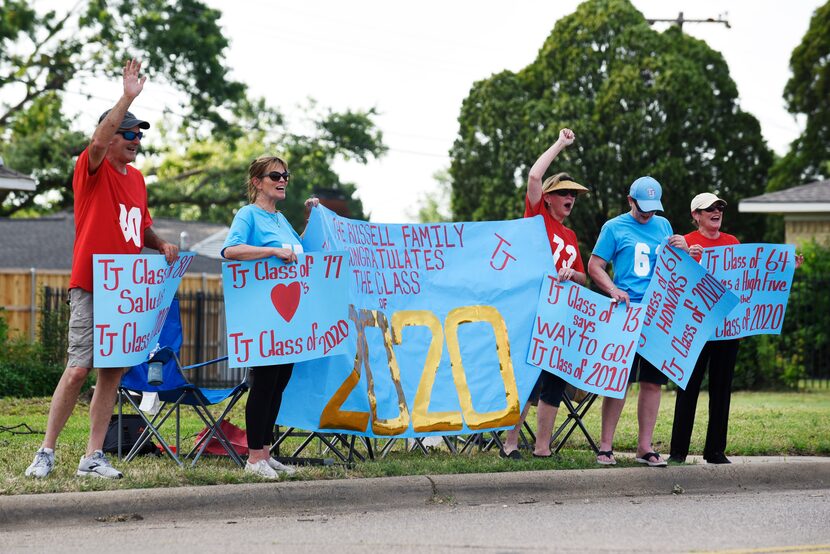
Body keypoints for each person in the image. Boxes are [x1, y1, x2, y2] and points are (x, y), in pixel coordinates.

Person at [25, 59, 179, 479]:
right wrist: (127, 96)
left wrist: (160, 243)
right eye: (128, 133)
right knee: (78, 368)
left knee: (111, 374)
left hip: (123, 291)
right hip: (93, 284)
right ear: (110, 138)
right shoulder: (90, 169)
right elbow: (96, 141)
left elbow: (139, 226)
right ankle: (46, 452)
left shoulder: (137, 180)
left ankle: (93, 456)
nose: (135, 141)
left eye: (138, 135)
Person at [669, 193, 803, 464]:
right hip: (696, 328)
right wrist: (686, 256)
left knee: (722, 388)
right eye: (709, 209)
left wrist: (786, 269)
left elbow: (753, 278)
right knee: (689, 388)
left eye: (719, 208)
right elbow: (673, 283)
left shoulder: (733, 243)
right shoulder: (684, 242)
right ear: (696, 215)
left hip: (728, 329)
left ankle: (715, 450)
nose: (717, 211)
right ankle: (678, 451)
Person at [222, 155, 318, 479]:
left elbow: (300, 249)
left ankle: (266, 451)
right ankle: (253, 459)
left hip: (288, 318)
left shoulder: (280, 219)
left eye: (285, 175)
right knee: (263, 384)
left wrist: (310, 218)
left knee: (279, 383)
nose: (282, 180)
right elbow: (231, 250)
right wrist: (271, 251)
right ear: (257, 182)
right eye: (275, 175)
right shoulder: (248, 214)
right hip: (263, 316)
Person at [587, 176, 688, 467]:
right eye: (642, 207)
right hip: (626, 313)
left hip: (658, 313)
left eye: (652, 208)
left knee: (653, 382)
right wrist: (612, 289)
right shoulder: (614, 227)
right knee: (618, 382)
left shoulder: (663, 225)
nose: (648, 214)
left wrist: (683, 248)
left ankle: (645, 447)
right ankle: (606, 447)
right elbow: (595, 265)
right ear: (630, 200)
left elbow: (675, 267)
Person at [500, 128, 589, 459]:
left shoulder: (570, 234)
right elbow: (535, 175)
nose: (570, 198)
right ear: (549, 197)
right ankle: (510, 444)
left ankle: (542, 447)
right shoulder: (536, 217)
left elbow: (582, 276)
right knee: (527, 377)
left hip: (560, 314)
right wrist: (561, 144)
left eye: (574, 195)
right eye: (564, 192)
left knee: (554, 380)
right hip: (532, 309)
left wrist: (572, 274)